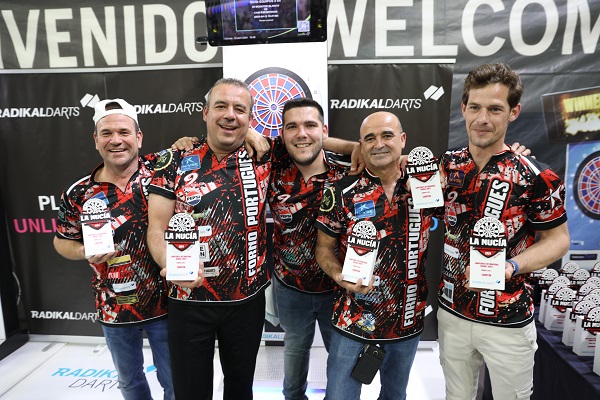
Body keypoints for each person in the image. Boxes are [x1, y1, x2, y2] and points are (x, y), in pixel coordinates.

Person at [436, 63, 570, 400]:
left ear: (513, 112)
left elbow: (558, 240)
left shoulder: (537, 176)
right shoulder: (447, 165)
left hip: (507, 317)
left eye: (495, 109)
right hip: (452, 313)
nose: (483, 118)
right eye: (475, 107)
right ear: (463, 109)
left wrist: (510, 266)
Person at [146, 77, 280, 400]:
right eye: (221, 106)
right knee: (191, 392)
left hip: (246, 301)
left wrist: (358, 148)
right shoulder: (174, 160)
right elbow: (156, 228)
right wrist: (170, 265)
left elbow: (312, 142)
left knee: (240, 390)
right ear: (205, 112)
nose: (230, 115)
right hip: (188, 299)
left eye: (239, 109)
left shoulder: (265, 154)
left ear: (251, 118)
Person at [54, 99, 174, 400]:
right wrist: (83, 252)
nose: (116, 140)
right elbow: (61, 240)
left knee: (175, 381)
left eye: (124, 132)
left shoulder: (163, 174)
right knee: (130, 382)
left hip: (169, 304)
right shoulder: (79, 193)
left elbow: (204, 146)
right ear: (96, 140)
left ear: (139, 137)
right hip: (114, 308)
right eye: (106, 133)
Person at [315, 111, 434, 400]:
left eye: (387, 136)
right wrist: (338, 275)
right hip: (353, 319)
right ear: (361, 145)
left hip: (407, 318)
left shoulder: (426, 185)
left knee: (395, 395)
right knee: (339, 396)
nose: (378, 144)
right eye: (370, 138)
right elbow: (323, 248)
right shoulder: (342, 191)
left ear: (403, 139)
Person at [268, 98, 351, 400]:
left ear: (324, 131)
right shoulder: (272, 168)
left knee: (340, 356)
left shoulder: (347, 173)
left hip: (338, 288)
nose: (301, 133)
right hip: (290, 286)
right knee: (294, 348)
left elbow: (382, 152)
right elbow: (239, 138)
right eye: (292, 126)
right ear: (282, 134)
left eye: (310, 125)